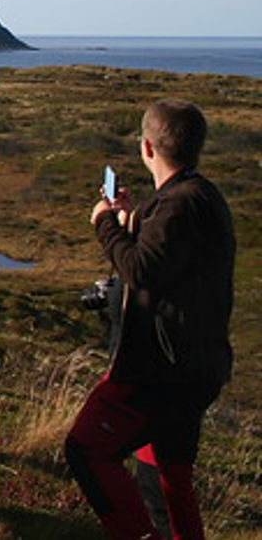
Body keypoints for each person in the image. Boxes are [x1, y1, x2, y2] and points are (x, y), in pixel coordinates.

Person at [65, 99, 235, 540]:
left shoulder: (180, 205)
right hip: (194, 368)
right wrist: (130, 219)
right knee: (167, 479)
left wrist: (105, 224)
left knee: (87, 450)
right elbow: (170, 256)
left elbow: (142, 271)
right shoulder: (197, 196)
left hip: (159, 373)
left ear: (146, 147)